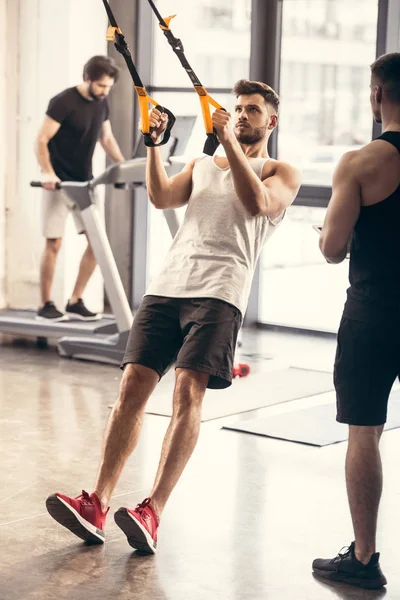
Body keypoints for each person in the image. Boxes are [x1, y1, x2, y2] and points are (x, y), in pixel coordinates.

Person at [45, 79, 301, 552]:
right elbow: (162, 197)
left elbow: (257, 204)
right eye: (237, 109)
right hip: (168, 286)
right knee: (130, 389)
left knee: (187, 392)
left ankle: (153, 510)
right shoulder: (202, 163)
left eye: (252, 111)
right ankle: (97, 502)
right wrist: (154, 146)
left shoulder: (280, 170)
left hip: (221, 294)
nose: (242, 116)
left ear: (272, 120)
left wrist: (227, 141)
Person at [312, 52, 400, 589]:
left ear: (376, 96)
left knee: (364, 429)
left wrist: (328, 233)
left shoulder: (362, 163)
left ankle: (364, 560)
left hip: (375, 311)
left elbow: (332, 247)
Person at [35, 55, 125, 322]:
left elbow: (106, 138)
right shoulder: (63, 102)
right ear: (87, 79)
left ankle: (75, 301)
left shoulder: (102, 102)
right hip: (59, 184)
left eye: (108, 87)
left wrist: (125, 166)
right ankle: (45, 304)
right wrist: (48, 173)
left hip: (85, 181)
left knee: (97, 244)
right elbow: (41, 139)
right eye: (101, 86)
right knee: (54, 243)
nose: (105, 92)